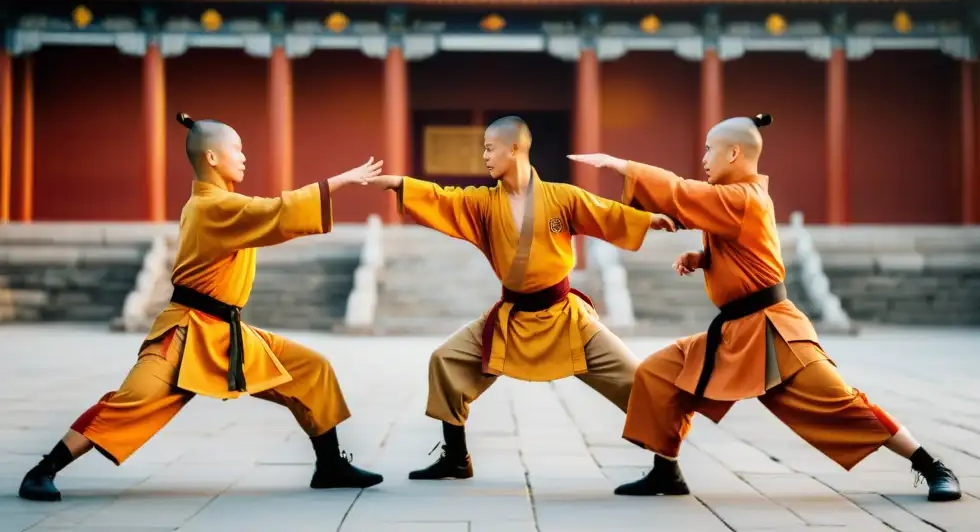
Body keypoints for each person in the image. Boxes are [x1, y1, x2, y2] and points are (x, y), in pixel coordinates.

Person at [568, 114, 962, 502]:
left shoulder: (742, 197)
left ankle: (931, 466)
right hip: (734, 333)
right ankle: (666, 471)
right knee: (659, 374)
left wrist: (622, 166)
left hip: (774, 332)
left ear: (734, 153)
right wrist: (703, 259)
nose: (703, 158)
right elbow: (739, 245)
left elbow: (680, 193)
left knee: (842, 402)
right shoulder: (734, 199)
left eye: (710, 150)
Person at [19, 113, 385, 502]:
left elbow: (267, 212)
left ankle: (330, 465)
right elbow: (274, 212)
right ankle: (43, 470)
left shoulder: (221, 204)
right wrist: (337, 183)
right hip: (184, 333)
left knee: (311, 368)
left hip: (227, 333)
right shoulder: (213, 207)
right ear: (212, 158)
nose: (244, 158)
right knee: (132, 400)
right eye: (237, 150)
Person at [366, 115, 677, 481]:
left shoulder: (562, 197)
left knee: (636, 379)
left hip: (565, 319)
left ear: (514, 149)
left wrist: (648, 220)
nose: (483, 156)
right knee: (446, 361)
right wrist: (400, 185)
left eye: (488, 148)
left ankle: (667, 469)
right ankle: (456, 457)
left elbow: (603, 212)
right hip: (510, 320)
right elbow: (442, 199)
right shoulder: (483, 203)